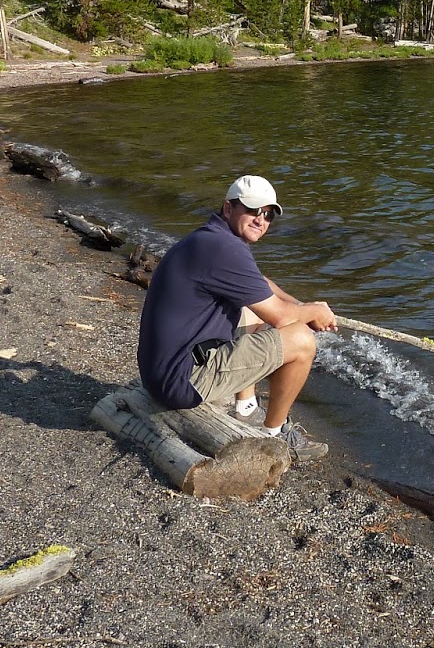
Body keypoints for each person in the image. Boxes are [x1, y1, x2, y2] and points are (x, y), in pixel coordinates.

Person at [136, 174, 337, 462]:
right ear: (228, 208)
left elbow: (260, 284)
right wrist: (313, 313)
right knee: (302, 341)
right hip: (180, 382)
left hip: (163, 371)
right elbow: (281, 318)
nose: (261, 220)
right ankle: (275, 435)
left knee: (252, 306)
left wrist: (302, 305)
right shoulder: (225, 248)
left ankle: (245, 408)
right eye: (253, 210)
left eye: (268, 215)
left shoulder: (212, 239)